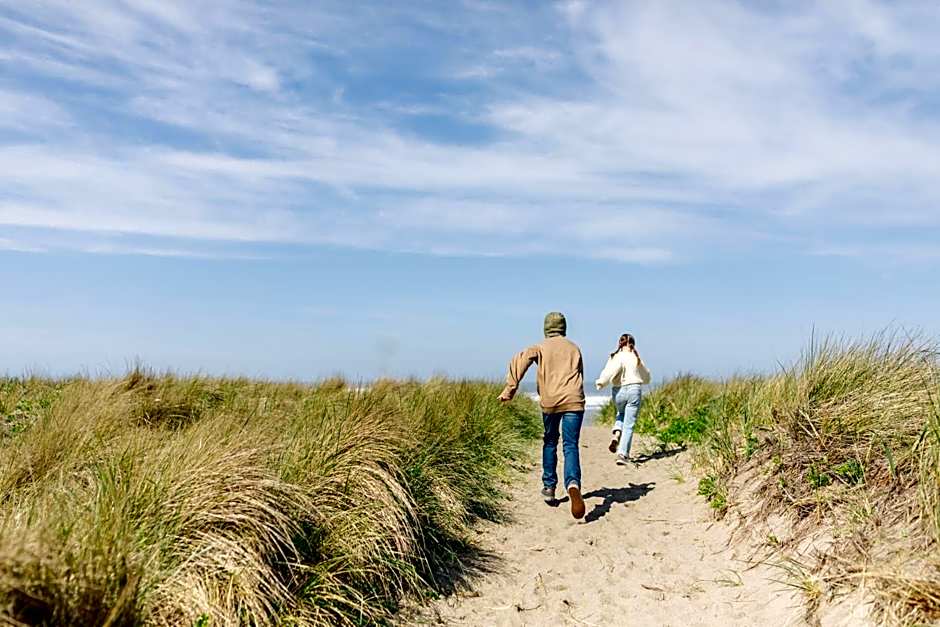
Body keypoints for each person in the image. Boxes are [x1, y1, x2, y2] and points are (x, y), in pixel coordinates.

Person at [498, 312, 587, 520]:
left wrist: (510, 389)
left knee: (550, 441)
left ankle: (549, 487)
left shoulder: (539, 347)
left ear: (546, 328)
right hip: (574, 400)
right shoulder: (574, 347)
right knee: (570, 445)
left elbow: (520, 360)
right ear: (563, 328)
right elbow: (580, 374)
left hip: (550, 401)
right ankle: (573, 484)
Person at [595, 333, 651, 465]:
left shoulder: (615, 357)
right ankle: (622, 454)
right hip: (634, 390)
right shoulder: (636, 358)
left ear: (620, 343)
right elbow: (647, 377)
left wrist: (601, 382)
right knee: (629, 424)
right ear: (633, 344)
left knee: (621, 413)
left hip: (618, 391)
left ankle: (616, 435)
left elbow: (609, 371)